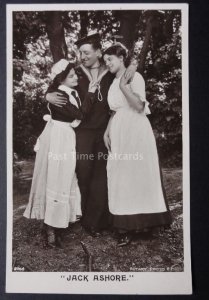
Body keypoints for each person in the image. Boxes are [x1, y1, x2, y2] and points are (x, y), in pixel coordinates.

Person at [46, 34, 137, 237]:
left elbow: (127, 68)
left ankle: (96, 222)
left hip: (105, 130)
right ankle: (80, 216)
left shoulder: (110, 69)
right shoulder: (76, 72)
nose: (82, 56)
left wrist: (133, 67)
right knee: (83, 172)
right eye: (80, 53)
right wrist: (47, 94)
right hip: (82, 132)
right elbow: (56, 85)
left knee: (102, 174)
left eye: (86, 52)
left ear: (98, 51)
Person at [103, 44, 172, 247]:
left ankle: (143, 225)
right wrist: (107, 131)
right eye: (105, 60)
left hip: (135, 129)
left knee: (137, 173)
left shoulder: (135, 77)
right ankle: (125, 225)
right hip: (118, 129)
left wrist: (125, 86)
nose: (107, 63)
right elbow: (115, 110)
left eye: (110, 59)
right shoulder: (113, 81)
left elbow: (139, 106)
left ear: (122, 57)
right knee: (120, 174)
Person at [23, 59, 95, 247]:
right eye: (70, 76)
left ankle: (58, 222)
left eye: (75, 74)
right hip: (58, 137)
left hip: (67, 136)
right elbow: (79, 114)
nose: (75, 78)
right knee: (56, 175)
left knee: (66, 176)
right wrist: (91, 94)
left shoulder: (69, 92)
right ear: (61, 79)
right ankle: (50, 229)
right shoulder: (60, 95)